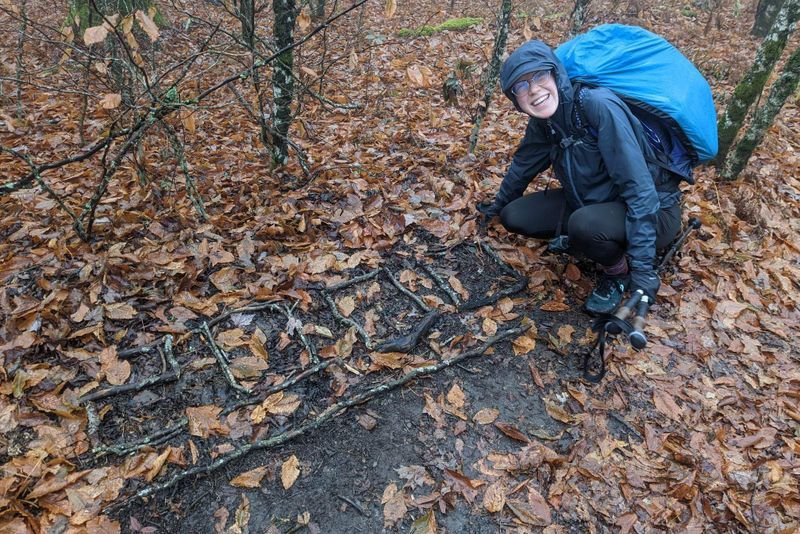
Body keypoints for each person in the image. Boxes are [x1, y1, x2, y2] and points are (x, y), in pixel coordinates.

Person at [478, 40, 684, 315]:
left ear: (556, 74)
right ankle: (588, 239)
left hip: (657, 212)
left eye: (539, 76)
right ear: (515, 99)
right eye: (521, 86)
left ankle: (616, 273)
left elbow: (640, 190)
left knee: (583, 225)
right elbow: (523, 166)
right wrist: (497, 205)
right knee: (514, 216)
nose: (534, 90)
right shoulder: (544, 122)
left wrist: (643, 269)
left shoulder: (597, 106)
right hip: (594, 203)